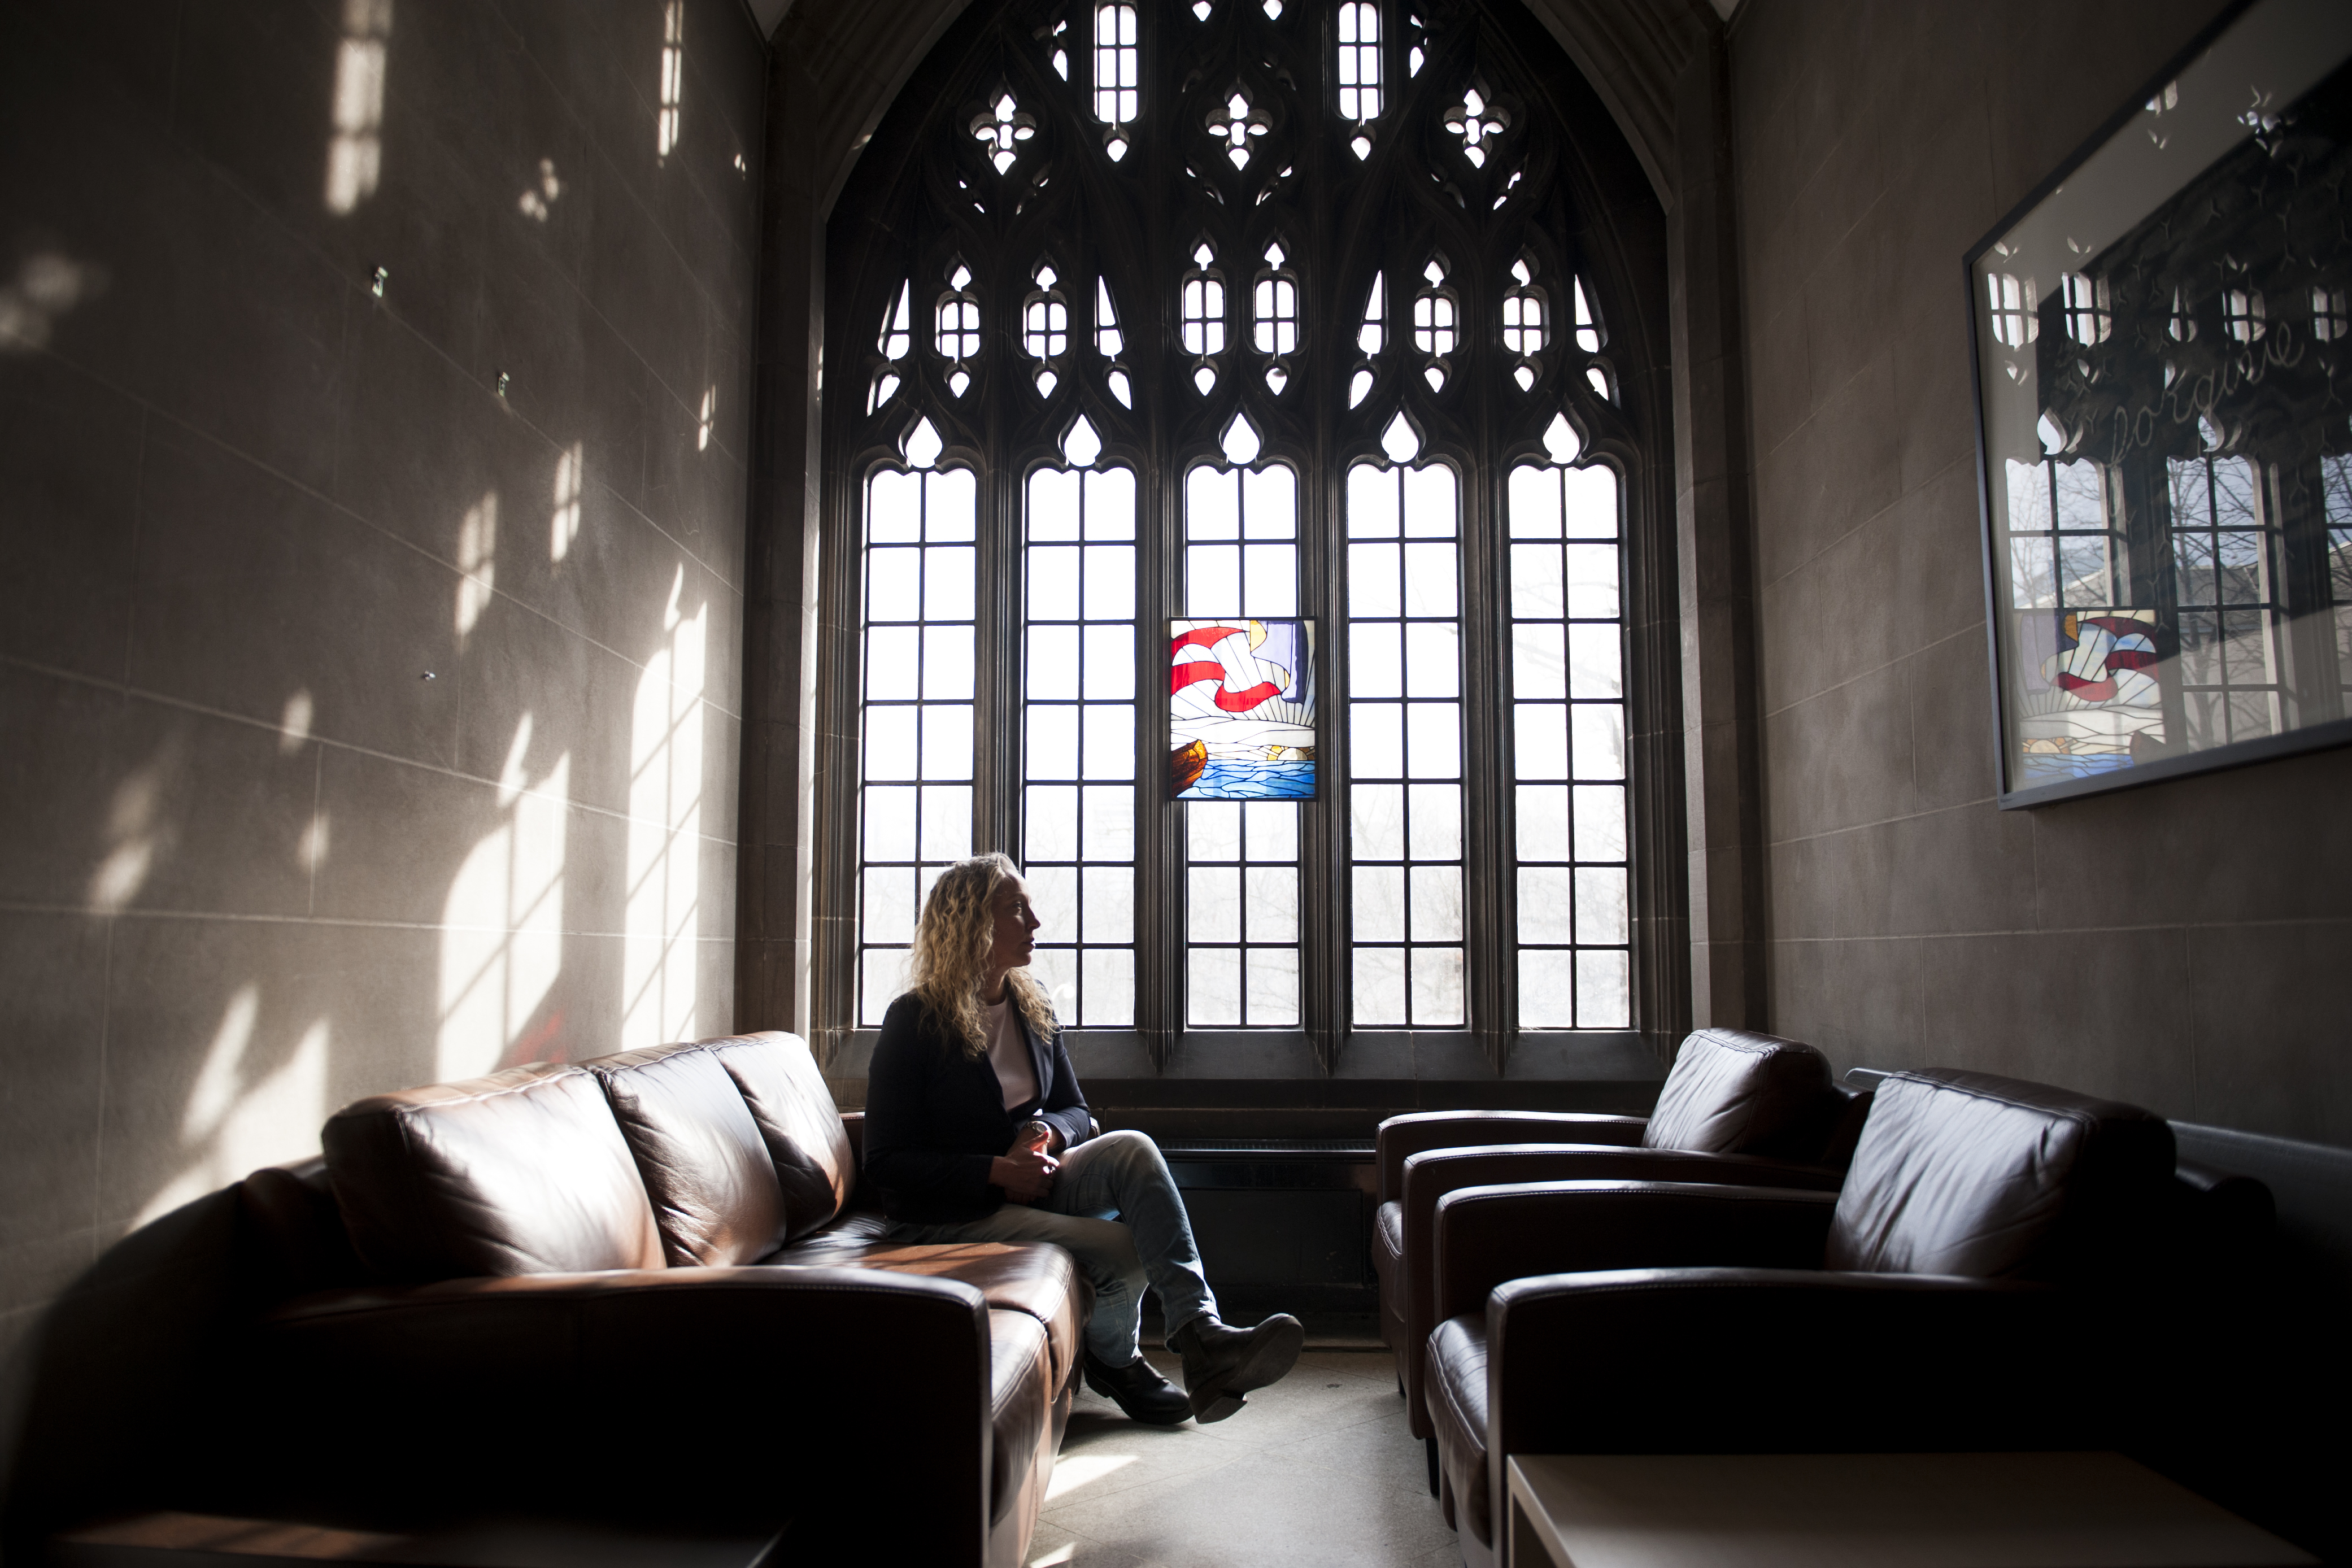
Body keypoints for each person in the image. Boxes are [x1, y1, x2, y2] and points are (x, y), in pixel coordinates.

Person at [863, 851, 1305, 1426]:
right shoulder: (914, 1020)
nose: (1035, 922)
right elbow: (885, 1160)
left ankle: (1204, 1336)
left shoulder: (1030, 1001)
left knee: (1135, 1148)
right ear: (972, 921)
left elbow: (1077, 1110)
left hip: (1032, 1177)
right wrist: (997, 1170)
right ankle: (1116, 1361)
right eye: (1017, 909)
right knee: (1121, 1250)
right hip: (949, 1212)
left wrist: (1044, 1131)